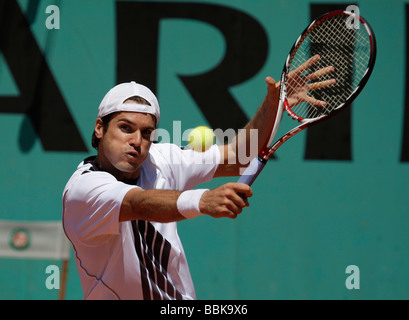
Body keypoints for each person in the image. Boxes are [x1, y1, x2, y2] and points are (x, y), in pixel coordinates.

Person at [62, 57, 331, 299]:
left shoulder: (160, 159)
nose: (136, 141)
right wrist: (203, 200)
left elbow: (239, 156)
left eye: (146, 133)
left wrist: (274, 104)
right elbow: (138, 204)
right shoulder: (83, 189)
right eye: (125, 128)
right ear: (99, 128)